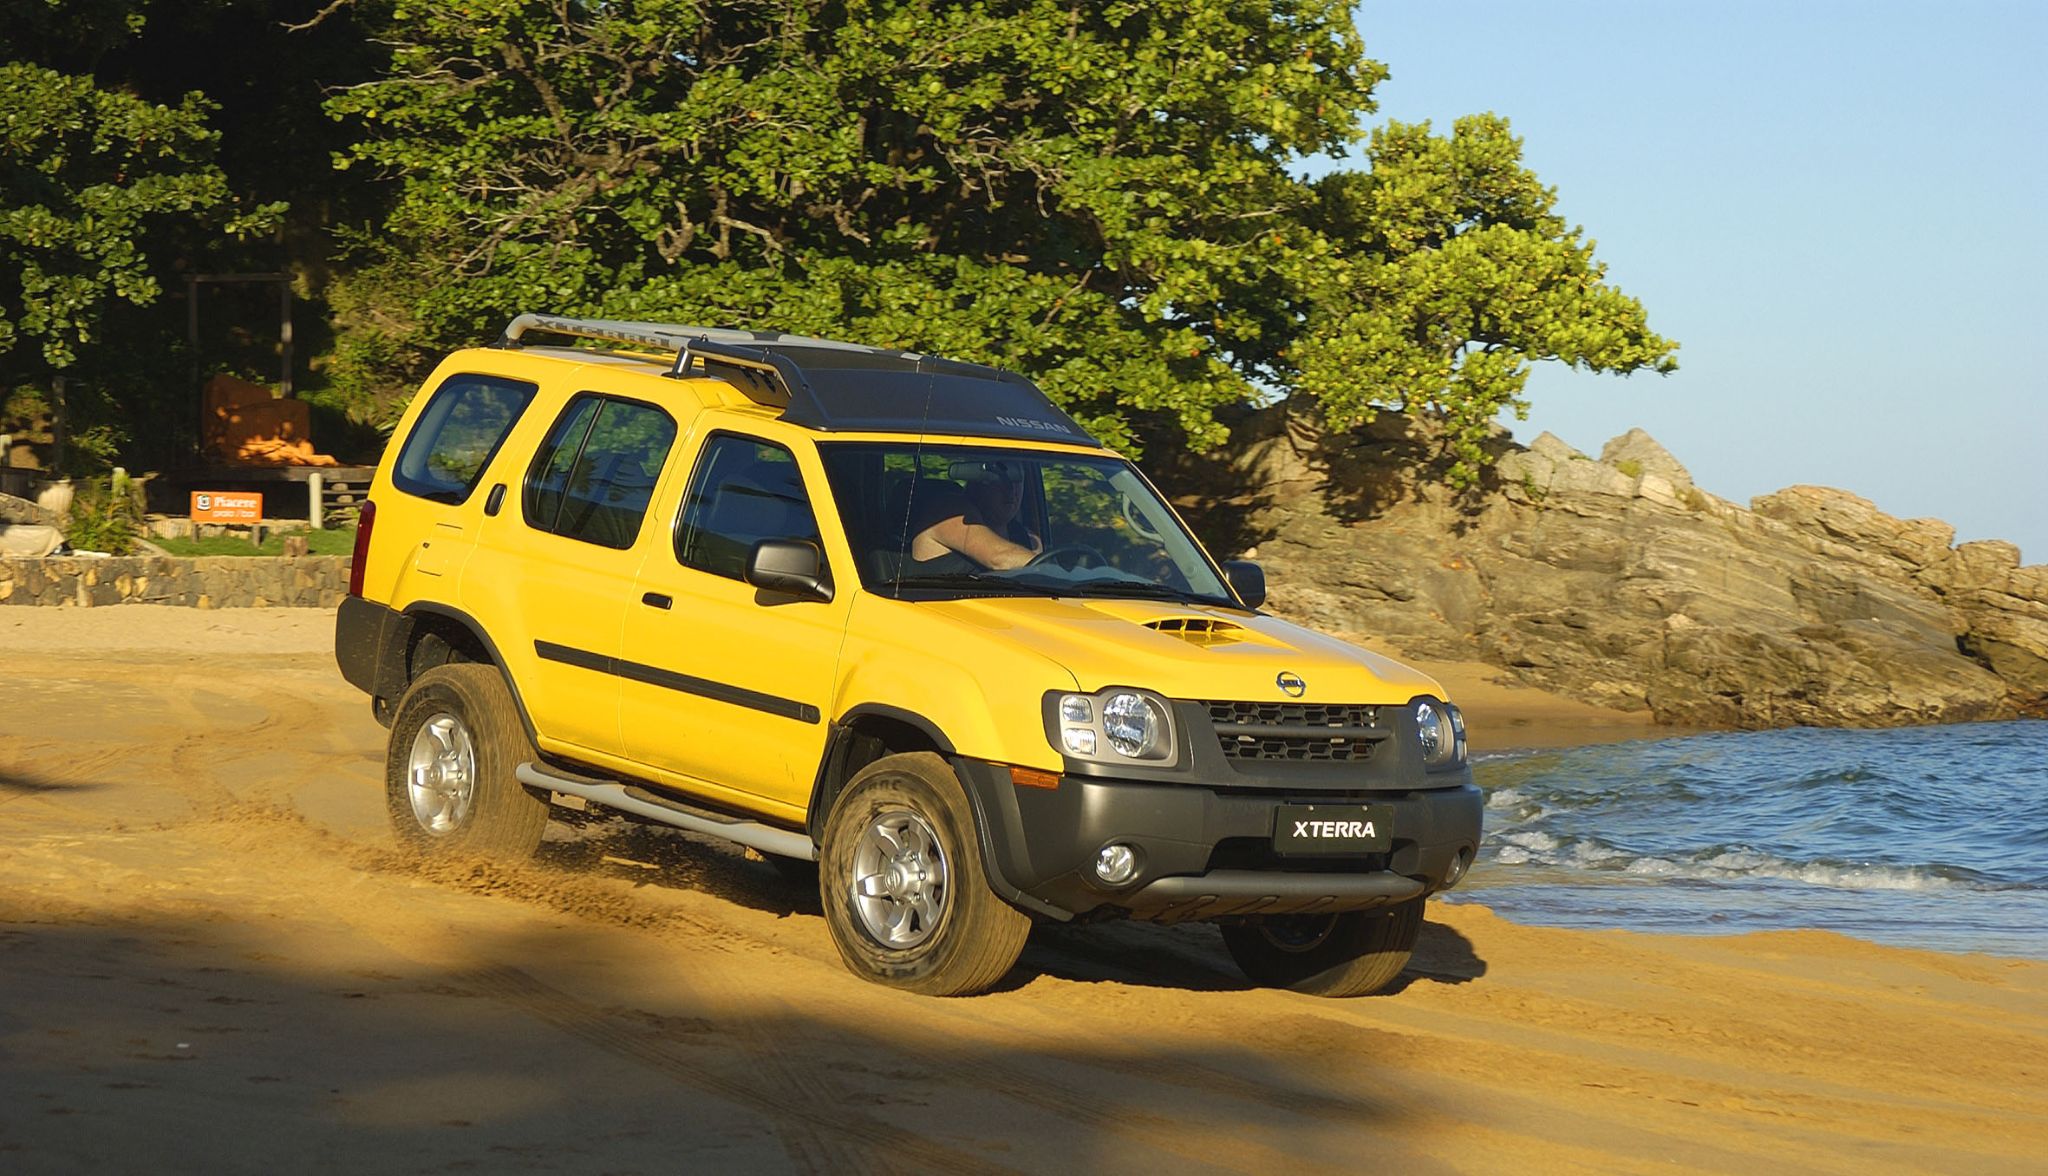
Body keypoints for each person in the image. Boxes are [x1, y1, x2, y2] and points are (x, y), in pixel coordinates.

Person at [905, 460, 1040, 572]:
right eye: (1000, 478)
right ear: (978, 481)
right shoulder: (948, 511)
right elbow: (999, 557)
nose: (1011, 489)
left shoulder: (1022, 535)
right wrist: (1052, 570)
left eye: (1018, 478)